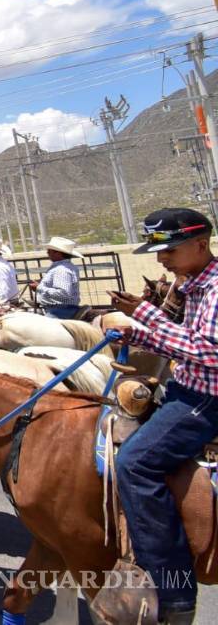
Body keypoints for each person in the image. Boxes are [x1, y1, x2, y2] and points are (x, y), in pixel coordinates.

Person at [109, 208, 218, 622]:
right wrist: (137, 334)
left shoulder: (215, 288)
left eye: (169, 249)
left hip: (206, 399)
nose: (161, 259)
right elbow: (186, 345)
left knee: (135, 465)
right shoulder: (194, 285)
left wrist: (146, 315)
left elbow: (209, 352)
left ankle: (173, 593)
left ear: (201, 244)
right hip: (188, 386)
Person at [31, 236, 81, 319]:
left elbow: (63, 294)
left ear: (58, 253)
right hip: (63, 309)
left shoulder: (61, 270)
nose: (47, 253)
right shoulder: (68, 267)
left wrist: (39, 287)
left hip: (59, 311)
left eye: (49, 251)